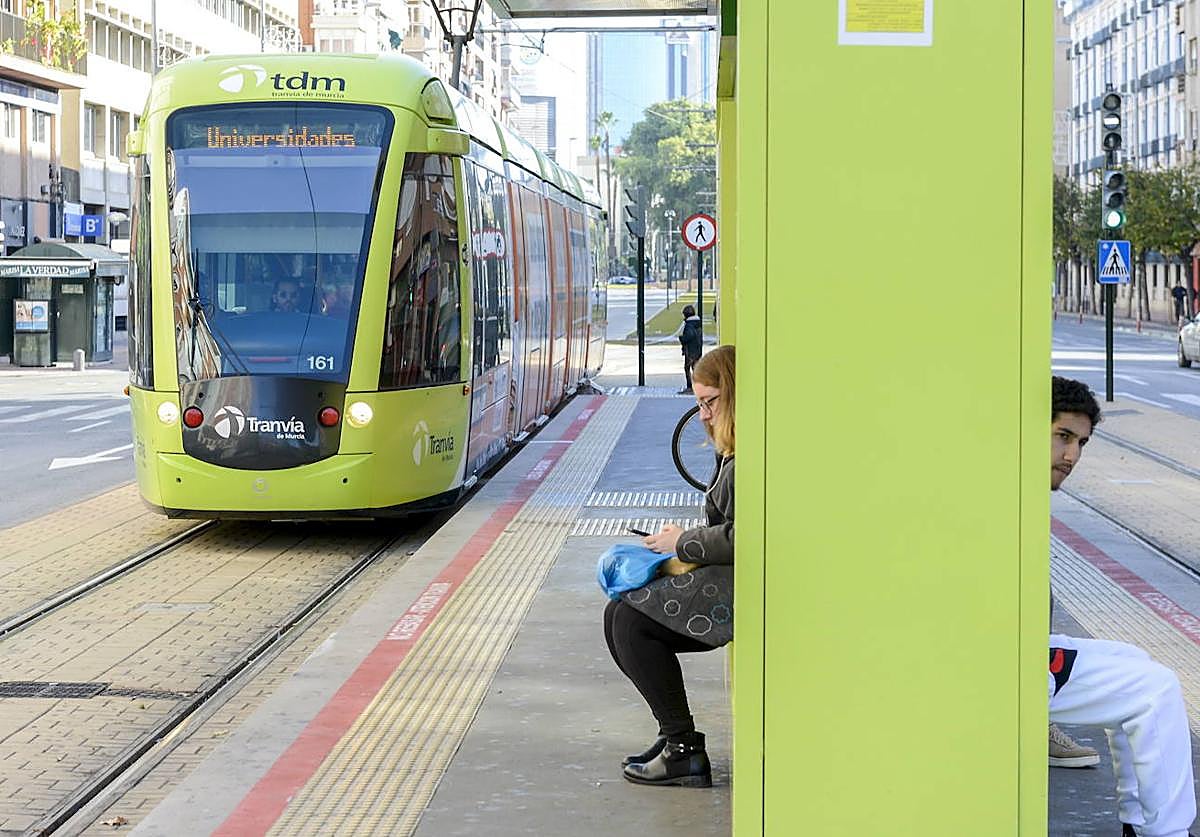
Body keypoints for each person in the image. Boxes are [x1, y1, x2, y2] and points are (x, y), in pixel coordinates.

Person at [1049, 376, 1196, 837]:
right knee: (1156, 689)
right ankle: (1164, 832)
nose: (1072, 457)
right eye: (1062, 437)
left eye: (1081, 443)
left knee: (1135, 660)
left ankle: (1139, 820)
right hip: (994, 659)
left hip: (1007, 645)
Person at [603, 344, 735, 788]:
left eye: (709, 402)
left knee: (629, 623)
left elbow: (743, 536)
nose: (703, 415)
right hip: (731, 576)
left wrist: (683, 542)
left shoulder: (748, 458)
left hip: (740, 589)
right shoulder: (735, 451)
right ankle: (675, 736)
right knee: (618, 613)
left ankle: (683, 748)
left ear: (734, 396)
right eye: (699, 403)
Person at [678, 304, 703, 394]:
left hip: (690, 350)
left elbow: (689, 336)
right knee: (695, 368)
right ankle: (698, 386)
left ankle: (690, 387)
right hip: (697, 349)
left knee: (687, 368)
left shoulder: (689, 325)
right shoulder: (697, 323)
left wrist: (682, 338)